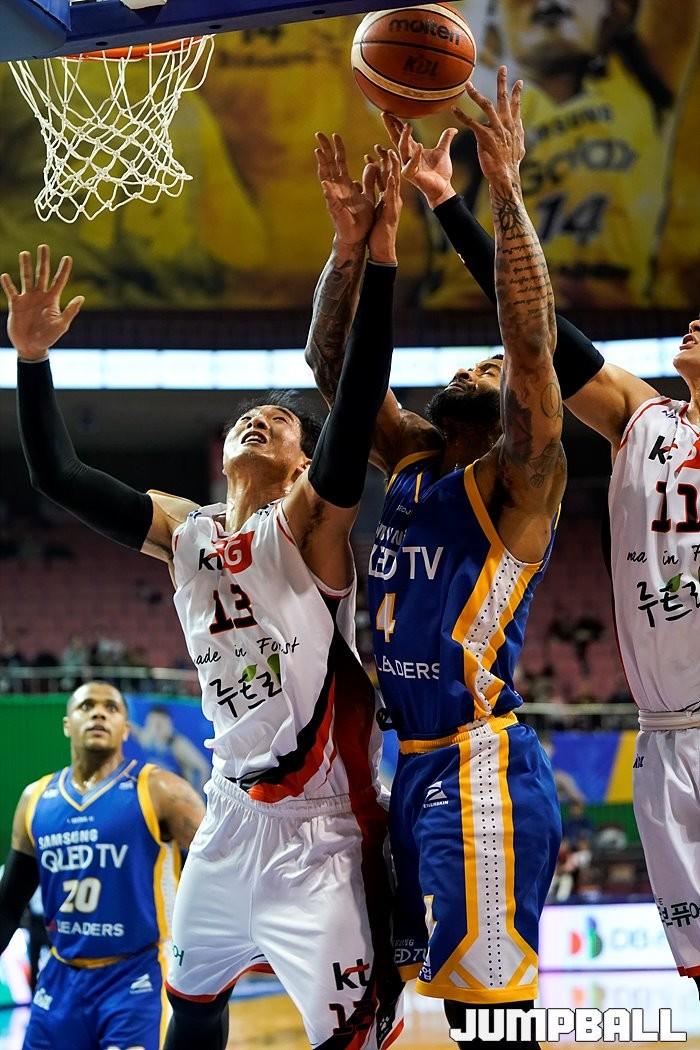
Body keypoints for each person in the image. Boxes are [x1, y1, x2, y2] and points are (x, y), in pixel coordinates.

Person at [2, 145, 405, 1049]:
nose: (258, 419)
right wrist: (31, 359)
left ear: (302, 464)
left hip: (319, 828)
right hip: (227, 818)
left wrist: (373, 259)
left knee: (354, 1038)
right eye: (246, 417)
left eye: (281, 422)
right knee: (192, 1009)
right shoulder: (185, 529)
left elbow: (356, 409)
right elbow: (58, 475)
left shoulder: (309, 523)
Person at [385, 69, 700, 993]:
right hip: (666, 738)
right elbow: (537, 335)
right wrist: (457, 203)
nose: (692, 320)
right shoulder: (644, 418)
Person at [308, 67, 564, 1046]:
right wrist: (351, 250)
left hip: (478, 765)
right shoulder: (415, 454)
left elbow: (531, 344)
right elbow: (331, 367)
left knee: (490, 1024)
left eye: (486, 367)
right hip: (408, 764)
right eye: (465, 362)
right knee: (420, 1005)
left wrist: (498, 191)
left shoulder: (519, 481)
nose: (472, 365)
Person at [420, 0, 700, 310]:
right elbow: (420, 40)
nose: (547, 1)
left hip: (611, 311)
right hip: (482, 312)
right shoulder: (467, 108)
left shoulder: (645, 84)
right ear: (493, 18)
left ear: (614, 10)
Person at [0, 680, 205, 1050]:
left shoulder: (161, 790)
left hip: (135, 976)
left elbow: (217, 872)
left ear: (126, 728)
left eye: (111, 708)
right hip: (60, 979)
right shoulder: (35, 799)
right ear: (67, 724)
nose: (98, 713)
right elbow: (9, 905)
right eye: (86, 706)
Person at [131, 705, 210, 793]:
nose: (155, 730)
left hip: (178, 795)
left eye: (159, 725)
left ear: (169, 725)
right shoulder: (146, 738)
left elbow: (204, 768)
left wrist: (198, 794)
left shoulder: (178, 745)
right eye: (151, 725)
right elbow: (133, 728)